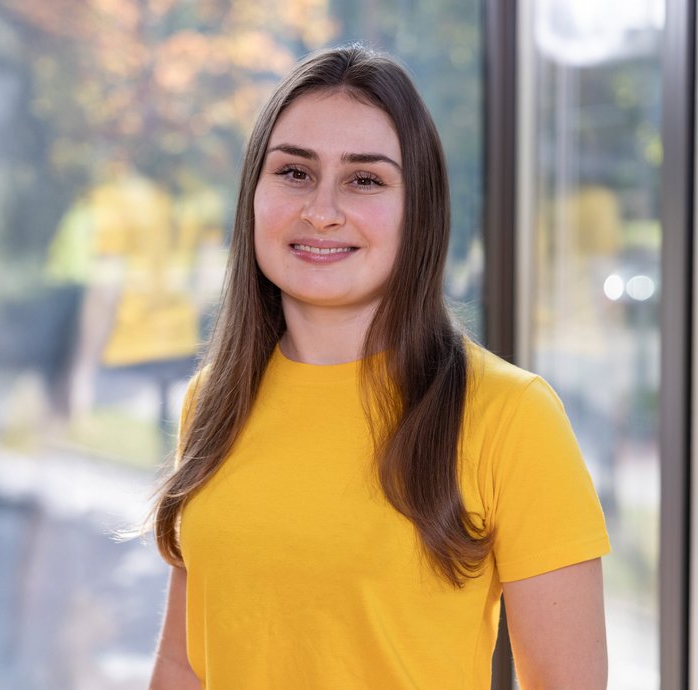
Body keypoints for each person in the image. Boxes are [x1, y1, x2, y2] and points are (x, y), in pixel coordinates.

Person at [147, 44, 610, 690]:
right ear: (254, 193)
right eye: (294, 173)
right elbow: (183, 665)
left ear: (418, 210)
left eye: (365, 179)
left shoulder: (512, 416)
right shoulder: (214, 400)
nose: (322, 210)